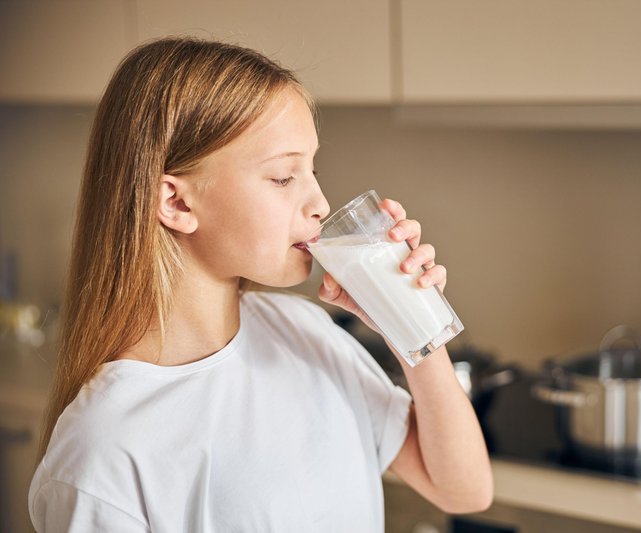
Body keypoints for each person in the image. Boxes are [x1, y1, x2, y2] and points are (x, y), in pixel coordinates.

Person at [28, 37, 492, 531]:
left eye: (312, 169)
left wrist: (409, 320)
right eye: (282, 177)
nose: (319, 203)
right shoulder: (103, 451)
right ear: (177, 204)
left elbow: (464, 489)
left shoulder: (304, 333)